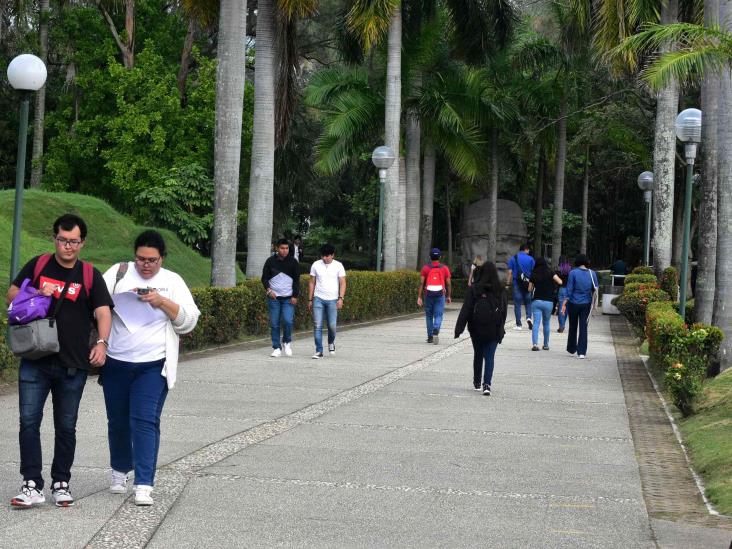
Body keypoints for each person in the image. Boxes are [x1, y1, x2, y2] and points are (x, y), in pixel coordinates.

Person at [6, 214, 113, 508]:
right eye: (63, 240)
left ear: (82, 243)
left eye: (74, 241)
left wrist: (102, 343)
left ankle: (61, 482)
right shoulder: (39, 265)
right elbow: (11, 296)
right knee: (29, 423)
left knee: (66, 426)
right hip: (35, 358)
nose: (68, 246)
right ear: (54, 238)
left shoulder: (90, 274)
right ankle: (31, 485)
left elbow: (103, 312)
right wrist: (37, 291)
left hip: (72, 364)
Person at [101, 230, 200, 506]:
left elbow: (189, 321)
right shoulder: (119, 273)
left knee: (144, 420)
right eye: (141, 259)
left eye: (152, 260)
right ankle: (120, 470)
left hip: (153, 365)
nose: (146, 265)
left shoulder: (172, 281)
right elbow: (96, 303)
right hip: (117, 361)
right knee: (118, 420)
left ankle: (144, 483)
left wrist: (161, 301)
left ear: (162, 259)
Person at [454, 262, 508, 396]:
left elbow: (466, 309)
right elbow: (504, 311)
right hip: (493, 329)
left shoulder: (474, 289)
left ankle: (477, 382)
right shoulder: (500, 289)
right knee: (489, 356)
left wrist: (459, 328)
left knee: (478, 354)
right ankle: (487, 385)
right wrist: (501, 327)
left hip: (476, 328)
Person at [262, 238, 300, 357]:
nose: (284, 250)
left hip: (288, 298)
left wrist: (295, 295)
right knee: (274, 323)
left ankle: (287, 342)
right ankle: (276, 347)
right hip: (274, 298)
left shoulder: (293, 262)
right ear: (277, 248)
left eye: (287, 248)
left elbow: (297, 281)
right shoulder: (270, 261)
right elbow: (264, 278)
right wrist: (268, 290)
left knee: (288, 321)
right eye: (282, 248)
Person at [307, 244, 347, 359]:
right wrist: (310, 299)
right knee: (317, 325)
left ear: (332, 255)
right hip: (318, 298)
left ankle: (331, 342)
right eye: (323, 256)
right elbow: (312, 282)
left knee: (332, 325)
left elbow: (342, 283)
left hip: (333, 299)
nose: (325, 258)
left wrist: (341, 298)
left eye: (327, 256)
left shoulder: (338, 265)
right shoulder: (316, 264)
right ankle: (319, 351)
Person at [561, 254, 599, 359]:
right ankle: (582, 352)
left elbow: (569, 289)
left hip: (573, 303)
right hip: (586, 304)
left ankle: (572, 348)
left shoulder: (573, 273)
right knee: (583, 327)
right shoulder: (593, 273)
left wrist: (564, 303)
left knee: (573, 326)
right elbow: (595, 289)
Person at [417, 248, 452, 344]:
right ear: (440, 257)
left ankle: (430, 337)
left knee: (429, 315)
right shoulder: (444, 268)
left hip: (428, 294)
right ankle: (436, 328)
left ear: (430, 257)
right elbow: (448, 283)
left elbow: (421, 283)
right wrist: (448, 296)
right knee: (438, 314)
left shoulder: (425, 268)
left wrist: (419, 297)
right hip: (440, 294)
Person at [528, 257, 563, 351]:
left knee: (536, 323)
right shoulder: (550, 272)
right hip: (549, 301)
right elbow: (560, 281)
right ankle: (546, 345)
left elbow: (529, 289)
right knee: (546, 323)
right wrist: (553, 286)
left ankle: (535, 344)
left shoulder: (534, 273)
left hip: (537, 301)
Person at [506, 243, 535, 331]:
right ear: (526, 249)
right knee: (528, 303)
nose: (529, 251)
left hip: (517, 284)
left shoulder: (513, 258)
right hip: (528, 284)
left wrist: (507, 284)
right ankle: (529, 317)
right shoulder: (531, 259)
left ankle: (519, 324)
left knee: (517, 304)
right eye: (528, 249)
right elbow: (534, 273)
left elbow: (510, 272)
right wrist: (533, 284)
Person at [556, 255, 572, 333]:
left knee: (561, 308)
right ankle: (563, 325)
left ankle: (561, 325)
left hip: (562, 289)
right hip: (569, 290)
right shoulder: (570, 269)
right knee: (566, 308)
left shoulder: (558, 270)